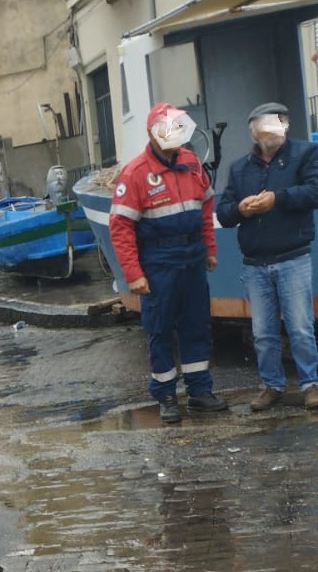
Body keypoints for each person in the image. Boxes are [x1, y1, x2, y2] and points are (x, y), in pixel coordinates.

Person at [109, 102, 228, 423]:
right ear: (152, 133)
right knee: (160, 330)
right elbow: (120, 228)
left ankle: (199, 391)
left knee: (196, 325)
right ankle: (166, 397)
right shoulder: (134, 174)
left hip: (191, 259)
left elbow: (205, 207)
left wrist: (210, 248)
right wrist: (133, 274)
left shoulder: (191, 164)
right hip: (158, 263)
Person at [216, 102, 318, 411]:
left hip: (293, 257)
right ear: (253, 131)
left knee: (300, 327)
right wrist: (239, 209)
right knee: (262, 332)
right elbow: (223, 212)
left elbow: (314, 191)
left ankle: (311, 384)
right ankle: (271, 386)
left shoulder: (305, 154)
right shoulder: (239, 167)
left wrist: (278, 199)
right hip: (255, 263)